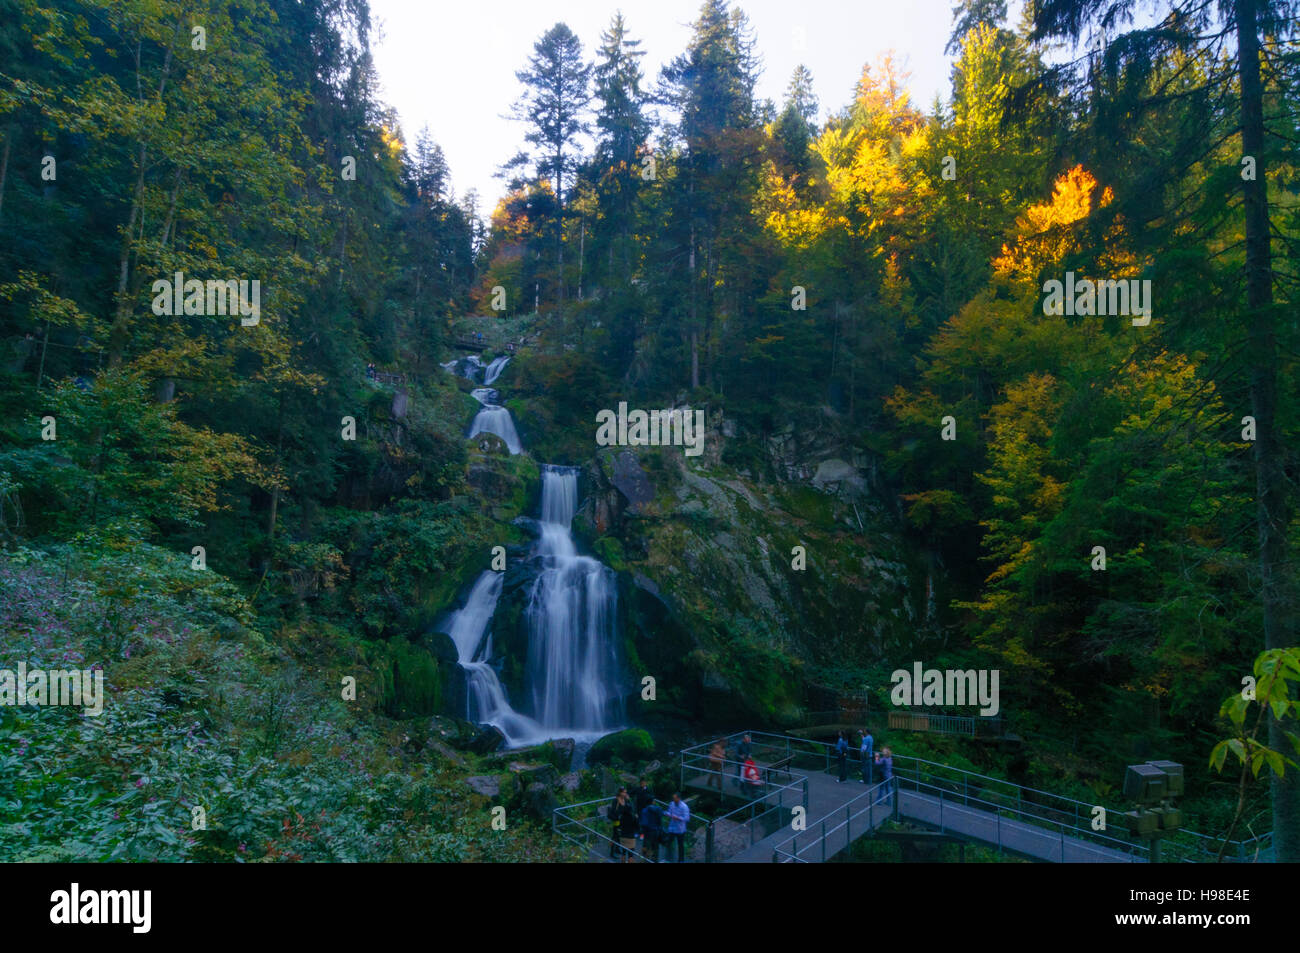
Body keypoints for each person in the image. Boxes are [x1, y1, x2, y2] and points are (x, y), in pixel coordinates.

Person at [609, 789, 639, 862]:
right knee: (615, 836)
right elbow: (615, 810)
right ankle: (612, 852)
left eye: (626, 792)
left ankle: (617, 849)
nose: (625, 793)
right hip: (618, 820)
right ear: (620, 792)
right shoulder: (616, 800)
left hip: (622, 821)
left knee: (618, 837)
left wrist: (628, 801)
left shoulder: (625, 800)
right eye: (624, 792)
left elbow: (629, 808)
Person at [665, 792, 690, 863]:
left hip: (680, 829)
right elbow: (670, 812)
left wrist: (678, 818)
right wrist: (667, 814)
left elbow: (687, 818)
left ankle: (681, 860)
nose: (673, 799)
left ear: (679, 798)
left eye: (675, 798)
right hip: (672, 827)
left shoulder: (684, 806)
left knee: (680, 845)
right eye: (673, 798)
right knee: (669, 842)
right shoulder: (672, 804)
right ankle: (668, 857)